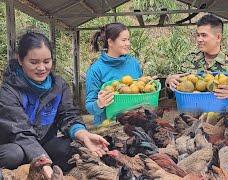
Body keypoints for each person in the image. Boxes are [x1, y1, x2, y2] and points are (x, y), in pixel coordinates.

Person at [0, 31, 109, 177]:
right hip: (16, 143)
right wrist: (43, 163)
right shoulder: (9, 91)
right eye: (34, 62)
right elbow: (20, 132)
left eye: (46, 61)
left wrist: (83, 135)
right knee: (14, 155)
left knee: (71, 148)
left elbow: (68, 116)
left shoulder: (58, 85)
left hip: (44, 143)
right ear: (20, 60)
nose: (41, 68)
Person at [165, 14, 228, 111]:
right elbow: (175, 93)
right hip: (190, 117)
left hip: (222, 119)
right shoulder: (189, 60)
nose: (199, 39)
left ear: (218, 37)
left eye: (204, 35)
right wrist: (168, 83)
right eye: (198, 35)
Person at [86, 23, 142, 125]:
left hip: (133, 126)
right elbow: (90, 106)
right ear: (110, 42)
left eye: (128, 39)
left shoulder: (134, 63)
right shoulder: (96, 69)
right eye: (124, 40)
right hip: (107, 128)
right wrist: (99, 104)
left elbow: (142, 91)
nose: (128, 43)